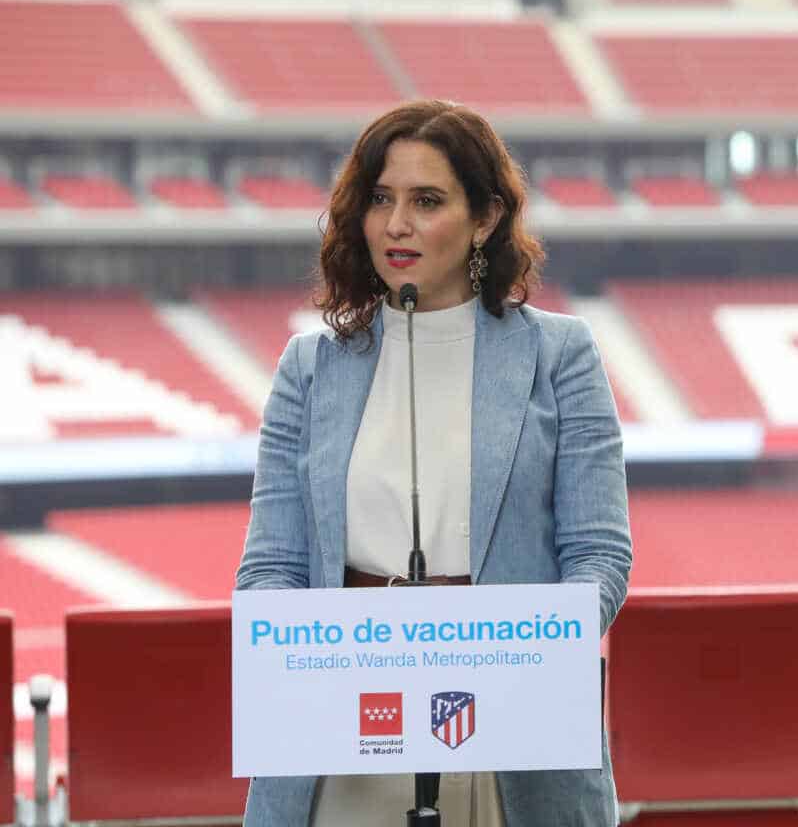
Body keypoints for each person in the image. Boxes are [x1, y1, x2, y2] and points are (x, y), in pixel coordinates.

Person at [236, 100, 632, 826]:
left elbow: (599, 557)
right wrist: (325, 665)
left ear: (484, 218)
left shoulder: (560, 355)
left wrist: (515, 656)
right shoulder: (308, 367)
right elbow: (270, 570)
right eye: (380, 199)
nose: (396, 225)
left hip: (511, 733)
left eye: (427, 201)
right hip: (341, 731)